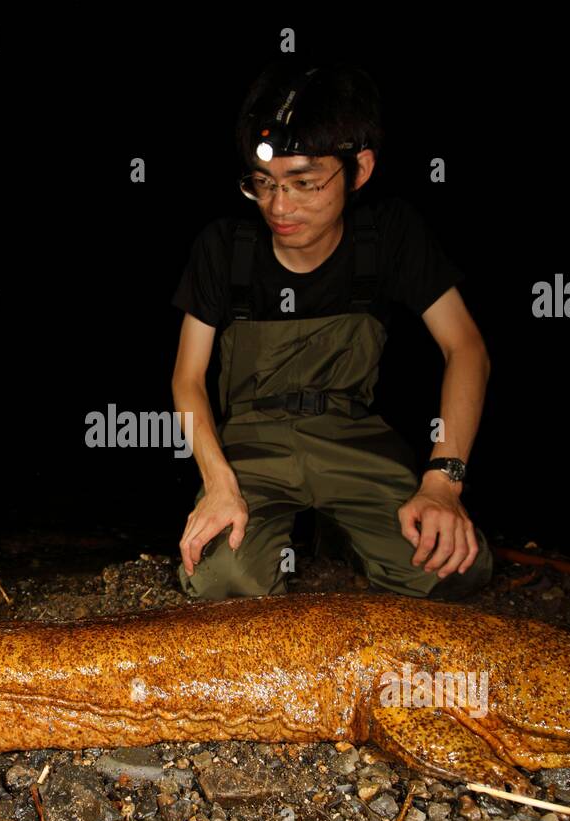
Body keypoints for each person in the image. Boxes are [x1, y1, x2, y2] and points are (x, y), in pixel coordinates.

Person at [169, 60, 494, 602]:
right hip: (252, 444)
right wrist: (219, 483)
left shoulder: (389, 235)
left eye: (305, 184)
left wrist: (444, 480)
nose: (280, 207)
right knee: (223, 583)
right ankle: (295, 528)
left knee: (453, 570)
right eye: (263, 183)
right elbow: (187, 378)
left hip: (354, 437)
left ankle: (347, 530)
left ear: (359, 169)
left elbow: (466, 349)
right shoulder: (224, 249)